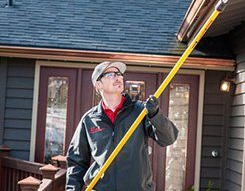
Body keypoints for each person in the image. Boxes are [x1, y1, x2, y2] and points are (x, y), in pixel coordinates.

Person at [66, 61, 178, 190]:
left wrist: (155, 115)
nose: (118, 77)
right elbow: (76, 161)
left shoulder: (140, 111)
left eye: (119, 74)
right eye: (110, 74)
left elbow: (169, 139)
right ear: (98, 85)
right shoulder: (89, 119)